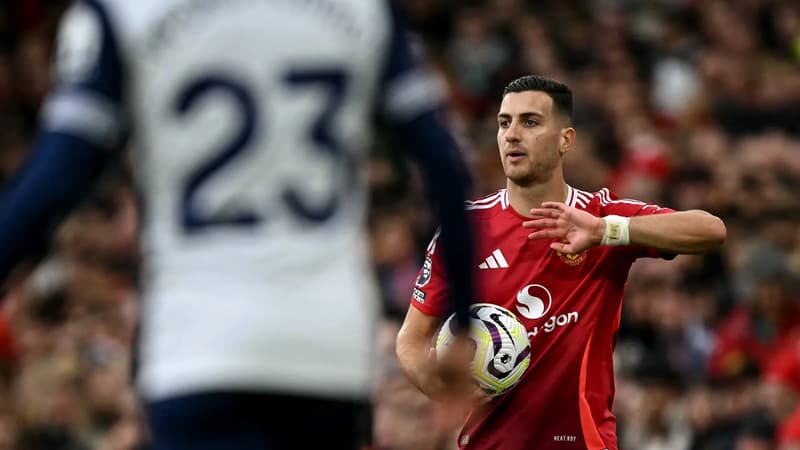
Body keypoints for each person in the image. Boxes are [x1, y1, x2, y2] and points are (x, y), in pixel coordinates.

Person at [0, 1, 478, 449]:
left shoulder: (125, 11)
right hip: (324, 342)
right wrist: (460, 317)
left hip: (200, 343)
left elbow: (56, 179)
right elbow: (444, 165)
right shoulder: (363, 10)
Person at [396, 75, 727, 450]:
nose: (512, 135)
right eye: (505, 123)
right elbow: (411, 340)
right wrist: (443, 388)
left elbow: (710, 230)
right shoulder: (465, 229)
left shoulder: (599, 213)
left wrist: (607, 231)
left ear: (566, 139)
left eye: (530, 122)